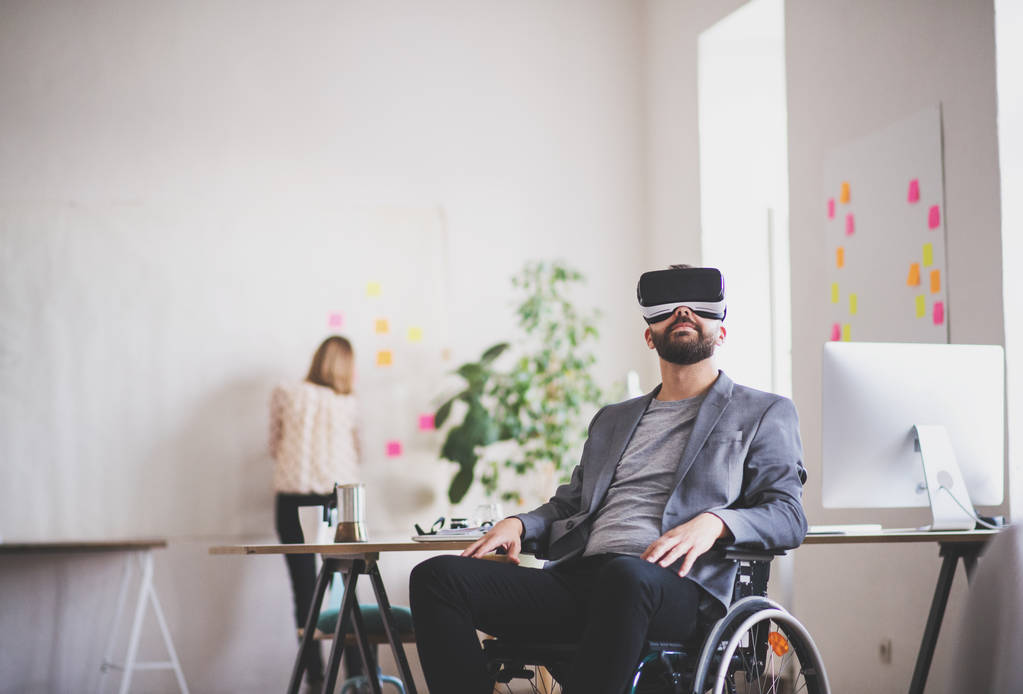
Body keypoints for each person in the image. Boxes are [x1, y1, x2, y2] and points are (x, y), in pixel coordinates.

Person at [409, 265, 808, 694]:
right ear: (649, 335)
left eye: (697, 307)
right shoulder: (612, 420)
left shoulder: (764, 412)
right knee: (436, 578)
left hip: (676, 587)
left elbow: (787, 515)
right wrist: (520, 525)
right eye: (668, 308)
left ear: (722, 333)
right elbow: (571, 505)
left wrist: (718, 522)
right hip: (583, 581)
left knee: (625, 576)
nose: (683, 312)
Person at [269, 335, 360, 686]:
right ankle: (357, 676)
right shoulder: (347, 403)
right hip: (338, 500)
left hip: (291, 501)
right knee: (345, 590)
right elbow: (357, 450)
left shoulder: (284, 392)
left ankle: (315, 681)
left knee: (305, 593)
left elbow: (274, 445)